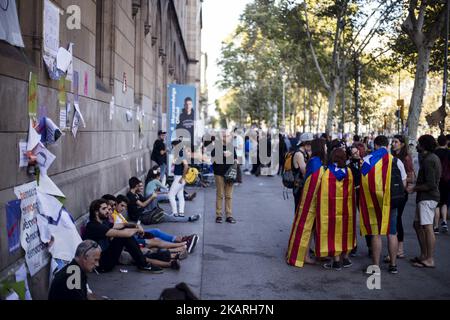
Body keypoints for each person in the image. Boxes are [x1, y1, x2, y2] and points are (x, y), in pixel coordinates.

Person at [85, 199, 182, 272]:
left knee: (138, 251)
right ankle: (144, 265)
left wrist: (134, 225)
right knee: (124, 237)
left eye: (107, 208)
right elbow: (120, 233)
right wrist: (137, 229)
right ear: (96, 212)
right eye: (104, 209)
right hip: (102, 264)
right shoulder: (94, 226)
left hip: (108, 255)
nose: (107, 211)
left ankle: (159, 263)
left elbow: (121, 225)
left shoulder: (103, 223)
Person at [359, 135, 406, 274]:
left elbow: (363, 181)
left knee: (376, 233)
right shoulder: (396, 161)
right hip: (392, 202)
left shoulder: (369, 160)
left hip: (374, 202)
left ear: (376, 145)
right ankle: (393, 265)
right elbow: (403, 184)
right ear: (387, 145)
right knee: (392, 232)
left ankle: (375, 266)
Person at [286, 138, 327, 267]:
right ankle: (304, 256)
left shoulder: (314, 160)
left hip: (309, 198)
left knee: (309, 227)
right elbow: (313, 183)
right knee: (306, 227)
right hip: (310, 200)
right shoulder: (315, 162)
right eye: (324, 146)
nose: (326, 148)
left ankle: (307, 254)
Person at [113, 195, 199, 254]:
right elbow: (120, 230)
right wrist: (136, 229)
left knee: (155, 232)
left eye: (125, 206)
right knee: (155, 241)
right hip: (128, 239)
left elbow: (126, 226)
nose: (123, 209)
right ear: (116, 204)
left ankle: (181, 239)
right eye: (122, 206)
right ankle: (183, 244)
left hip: (133, 233)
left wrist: (137, 229)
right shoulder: (113, 215)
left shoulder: (118, 214)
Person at [318, 148, 356, 270]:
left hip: (331, 209)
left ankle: (336, 261)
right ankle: (345, 258)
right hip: (346, 209)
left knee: (333, 233)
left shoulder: (327, 172)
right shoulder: (349, 171)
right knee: (345, 232)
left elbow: (322, 191)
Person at [407, 135, 441, 268]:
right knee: (417, 224)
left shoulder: (429, 160)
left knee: (427, 227)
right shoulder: (429, 158)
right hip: (424, 197)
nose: (417, 145)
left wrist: (414, 188)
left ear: (424, 145)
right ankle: (424, 255)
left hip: (428, 198)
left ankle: (429, 258)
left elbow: (431, 184)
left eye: (419, 143)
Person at [389, 135, 415, 260]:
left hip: (401, 193)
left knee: (397, 218)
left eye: (396, 142)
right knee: (394, 219)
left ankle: (400, 249)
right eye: (392, 141)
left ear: (402, 144)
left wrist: (400, 179)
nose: (393, 144)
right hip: (392, 192)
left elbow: (412, 177)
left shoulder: (405, 158)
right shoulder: (392, 157)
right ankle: (396, 249)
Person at [212, 130, 237, 223]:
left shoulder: (231, 147)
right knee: (220, 194)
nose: (226, 137)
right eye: (224, 136)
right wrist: (223, 155)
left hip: (229, 174)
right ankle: (218, 215)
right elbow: (213, 160)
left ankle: (229, 215)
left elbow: (235, 159)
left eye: (228, 136)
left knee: (229, 196)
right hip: (219, 173)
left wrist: (233, 159)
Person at [292, 133, 313, 212]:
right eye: (310, 143)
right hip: (299, 186)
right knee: (299, 208)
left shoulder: (305, 153)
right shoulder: (299, 154)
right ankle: (297, 224)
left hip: (302, 185)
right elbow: (304, 172)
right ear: (305, 143)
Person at [433, 135, 449, 234]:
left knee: (437, 203)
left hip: (437, 180)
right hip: (447, 180)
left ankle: (435, 226)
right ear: (446, 142)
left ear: (438, 142)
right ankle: (444, 221)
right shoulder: (449, 153)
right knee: (445, 202)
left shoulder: (435, 153)